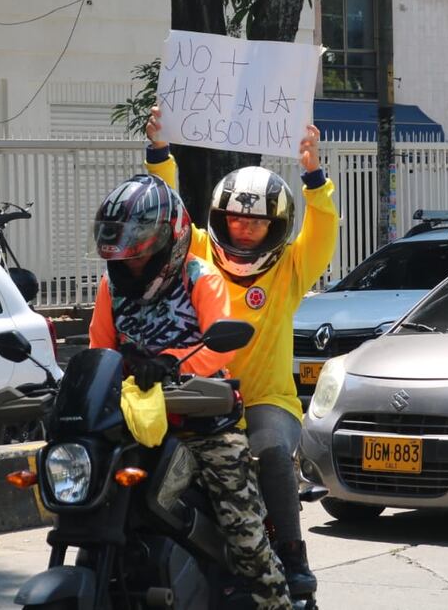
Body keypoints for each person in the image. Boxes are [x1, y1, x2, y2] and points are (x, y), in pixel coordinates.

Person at [144, 106, 338, 597]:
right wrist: (160, 152)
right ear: (219, 219)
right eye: (234, 219)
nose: (244, 230)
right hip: (197, 398)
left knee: (272, 451)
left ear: (276, 225)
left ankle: (293, 558)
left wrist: (314, 173)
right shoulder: (199, 249)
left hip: (265, 402)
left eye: (255, 222)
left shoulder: (291, 266)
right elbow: (166, 210)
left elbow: (323, 228)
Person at [88, 173, 291, 610]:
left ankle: (278, 602)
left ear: (169, 242)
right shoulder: (111, 286)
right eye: (127, 253)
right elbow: (100, 349)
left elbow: (216, 353)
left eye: (141, 252)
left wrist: (169, 364)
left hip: (204, 424)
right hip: (132, 425)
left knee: (245, 533)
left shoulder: (202, 278)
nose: (133, 263)